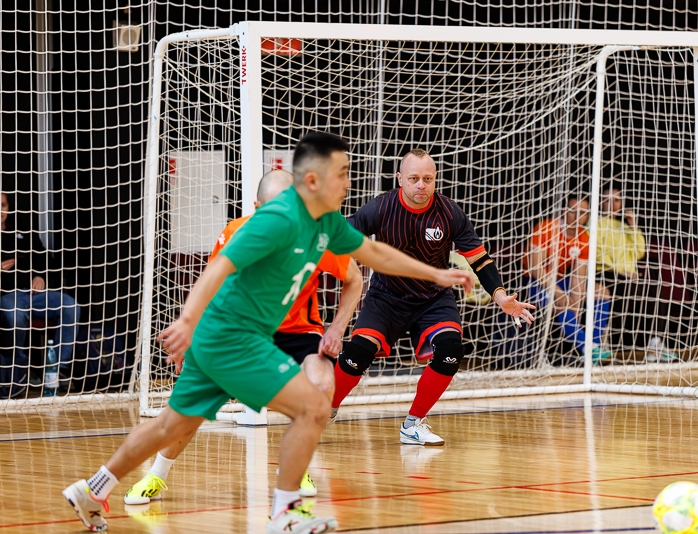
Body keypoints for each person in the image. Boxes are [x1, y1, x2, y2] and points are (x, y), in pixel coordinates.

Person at [62, 133, 474, 534]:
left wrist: (437, 274)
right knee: (313, 407)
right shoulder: (277, 220)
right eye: (341, 174)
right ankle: (285, 513)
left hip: (226, 340)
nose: (348, 183)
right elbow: (218, 269)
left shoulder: (325, 223)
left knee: (169, 426)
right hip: (234, 339)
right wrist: (187, 322)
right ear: (312, 180)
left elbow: (375, 254)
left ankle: (92, 489)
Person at [123, 169, 363, 505]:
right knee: (187, 411)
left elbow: (355, 279)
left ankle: (297, 468)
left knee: (322, 385)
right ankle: (156, 475)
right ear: (257, 207)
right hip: (242, 332)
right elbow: (211, 288)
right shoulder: (237, 233)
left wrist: (336, 329)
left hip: (298, 332)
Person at [330, 149, 535, 446]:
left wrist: (500, 296)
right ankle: (325, 409)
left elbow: (480, 260)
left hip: (433, 299)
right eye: (414, 178)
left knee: (451, 350)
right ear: (400, 179)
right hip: (386, 297)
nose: (421, 185)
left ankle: (413, 424)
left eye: (428, 179)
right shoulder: (380, 207)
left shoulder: (449, 212)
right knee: (357, 353)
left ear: (435, 179)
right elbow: (343, 234)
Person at [0, 191, 80, 399]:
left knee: (70, 306)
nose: (0, 210)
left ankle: (58, 371)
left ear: (9, 208)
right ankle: (19, 372)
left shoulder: (22, 230)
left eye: (3, 205)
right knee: (13, 315)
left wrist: (41, 275)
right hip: (8, 296)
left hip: (35, 294)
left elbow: (44, 258)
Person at [524, 195, 612, 362]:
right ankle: (585, 347)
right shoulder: (546, 227)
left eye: (583, 212)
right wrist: (559, 293)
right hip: (535, 281)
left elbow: (578, 279)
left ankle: (594, 346)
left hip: (562, 280)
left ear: (587, 216)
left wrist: (575, 306)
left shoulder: (584, 238)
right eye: (573, 211)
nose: (577, 216)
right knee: (562, 301)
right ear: (565, 211)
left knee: (601, 292)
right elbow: (535, 268)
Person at [596, 186, 678, 362]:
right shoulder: (595, 224)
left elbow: (640, 252)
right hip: (605, 273)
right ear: (601, 203)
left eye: (616, 200)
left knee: (654, 288)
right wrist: (620, 271)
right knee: (631, 289)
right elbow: (595, 253)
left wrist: (633, 226)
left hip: (629, 276)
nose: (612, 204)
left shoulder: (625, 227)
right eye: (607, 200)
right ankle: (605, 342)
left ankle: (655, 344)